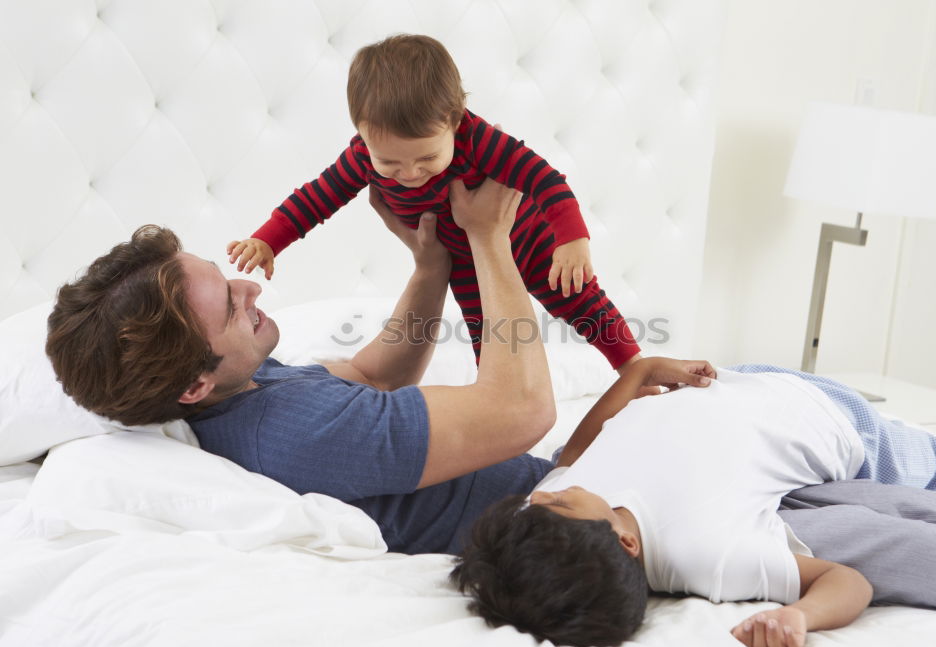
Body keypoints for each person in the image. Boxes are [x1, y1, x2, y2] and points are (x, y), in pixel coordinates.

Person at [44, 177, 715, 556]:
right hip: (583, 527)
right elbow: (524, 410)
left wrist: (433, 265)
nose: (251, 287)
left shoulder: (243, 392)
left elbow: (375, 379)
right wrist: (488, 239)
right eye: (228, 304)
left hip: (573, 475)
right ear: (193, 382)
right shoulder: (298, 429)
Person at [450, 360, 936, 647]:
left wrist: (636, 374)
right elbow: (845, 578)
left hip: (747, 374)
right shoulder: (709, 556)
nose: (545, 492)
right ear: (625, 542)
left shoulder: (549, 509)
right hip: (842, 423)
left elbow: (573, 454)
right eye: (557, 504)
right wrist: (799, 615)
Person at [225, 34, 645, 374]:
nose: (409, 173)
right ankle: (499, 398)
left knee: (583, 303)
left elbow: (546, 181)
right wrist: (268, 241)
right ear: (362, 133)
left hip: (532, 244)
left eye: (427, 158)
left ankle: (633, 366)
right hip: (466, 263)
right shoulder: (360, 157)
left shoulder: (479, 140)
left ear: (455, 119)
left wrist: (573, 240)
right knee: (492, 339)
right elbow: (315, 199)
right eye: (389, 162)